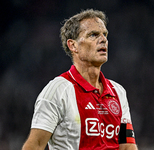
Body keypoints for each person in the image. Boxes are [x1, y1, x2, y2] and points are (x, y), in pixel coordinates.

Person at [22, 9, 138, 150]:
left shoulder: (118, 92)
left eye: (105, 34)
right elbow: (35, 146)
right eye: (93, 35)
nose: (103, 40)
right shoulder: (57, 91)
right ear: (73, 45)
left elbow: (127, 146)